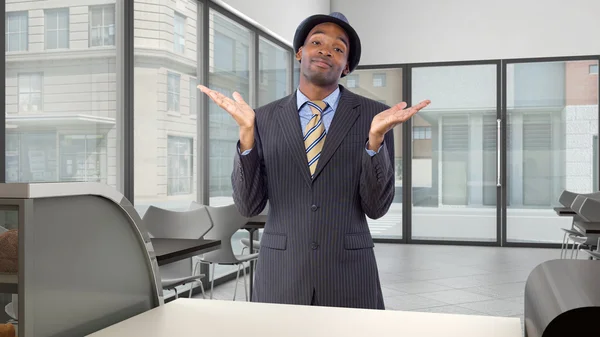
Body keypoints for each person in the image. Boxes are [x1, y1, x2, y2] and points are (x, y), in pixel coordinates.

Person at [198, 12, 430, 309]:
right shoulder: (263, 118)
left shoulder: (376, 117)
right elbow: (248, 206)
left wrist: (374, 142)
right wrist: (247, 136)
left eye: (338, 48)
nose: (325, 50)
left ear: (346, 66)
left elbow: (376, 207)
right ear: (300, 52)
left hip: (349, 272)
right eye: (316, 42)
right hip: (281, 272)